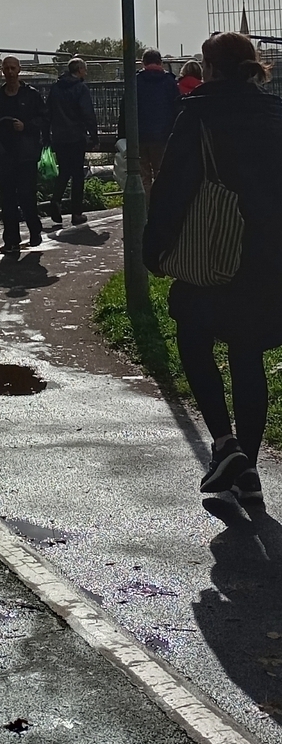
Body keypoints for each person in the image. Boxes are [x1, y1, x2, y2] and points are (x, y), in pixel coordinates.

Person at [143, 32, 282, 508]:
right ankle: (249, 469)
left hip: (215, 250)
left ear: (208, 68)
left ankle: (224, 445)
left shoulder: (200, 115)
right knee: (248, 354)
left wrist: (155, 250)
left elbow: (172, 191)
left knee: (193, 334)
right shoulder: (276, 113)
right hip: (268, 256)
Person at [0, 56, 48, 257]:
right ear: (2, 71)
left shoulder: (31, 95)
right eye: (6, 68)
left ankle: (35, 230)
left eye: (13, 68)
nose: (9, 71)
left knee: (26, 195)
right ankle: (11, 241)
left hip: (26, 155)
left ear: (19, 70)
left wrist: (27, 126)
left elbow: (43, 118)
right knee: (7, 199)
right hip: (5, 155)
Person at [119, 48, 180, 206]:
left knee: (143, 176)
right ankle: (162, 208)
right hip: (163, 136)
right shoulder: (170, 82)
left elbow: (125, 108)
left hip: (138, 136)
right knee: (162, 173)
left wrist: (122, 135)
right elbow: (177, 109)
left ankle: (146, 209)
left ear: (143, 62)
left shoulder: (135, 81)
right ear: (160, 62)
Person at [46, 56, 98, 228]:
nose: (86, 72)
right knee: (77, 174)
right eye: (85, 69)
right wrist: (94, 135)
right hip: (76, 136)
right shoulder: (80, 88)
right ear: (79, 70)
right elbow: (87, 113)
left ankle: (55, 200)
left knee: (64, 171)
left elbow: (48, 112)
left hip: (59, 136)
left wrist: (47, 135)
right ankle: (76, 213)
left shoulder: (55, 88)